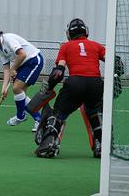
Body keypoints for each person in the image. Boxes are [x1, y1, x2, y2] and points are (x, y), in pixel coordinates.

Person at [34, 18, 106, 158]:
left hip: (75, 83)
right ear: (86, 31)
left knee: (58, 114)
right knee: (94, 112)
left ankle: (49, 144)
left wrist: (48, 88)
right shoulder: (97, 46)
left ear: (69, 34)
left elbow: (58, 71)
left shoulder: (65, 47)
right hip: (96, 84)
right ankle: (101, 146)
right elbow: (116, 62)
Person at [0, 24, 43, 132]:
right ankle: (39, 119)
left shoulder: (8, 39)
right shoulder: (0, 49)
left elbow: (22, 54)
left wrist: (13, 68)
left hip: (33, 60)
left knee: (16, 88)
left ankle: (20, 116)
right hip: (23, 65)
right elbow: (6, 69)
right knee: (20, 92)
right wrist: (4, 88)